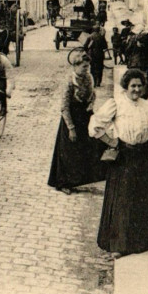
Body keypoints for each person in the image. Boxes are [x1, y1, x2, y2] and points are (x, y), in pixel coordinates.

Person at [89, 68, 148, 258]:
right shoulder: (116, 104)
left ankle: (142, 239)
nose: (137, 90)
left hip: (143, 157)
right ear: (126, 87)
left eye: (140, 86)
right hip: (124, 157)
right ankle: (119, 244)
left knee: (142, 197)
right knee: (122, 199)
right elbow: (95, 125)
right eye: (133, 86)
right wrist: (112, 141)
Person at [48, 50, 106, 195]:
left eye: (88, 67)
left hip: (84, 117)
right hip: (72, 118)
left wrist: (91, 104)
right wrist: (71, 128)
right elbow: (64, 107)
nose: (86, 70)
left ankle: (80, 180)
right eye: (84, 67)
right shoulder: (69, 82)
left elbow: (93, 94)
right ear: (75, 66)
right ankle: (63, 183)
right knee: (69, 153)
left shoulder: (89, 78)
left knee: (86, 148)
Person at [125, 25, 148, 99]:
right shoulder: (147, 38)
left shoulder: (132, 39)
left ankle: (134, 96)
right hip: (146, 64)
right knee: (145, 81)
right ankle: (143, 97)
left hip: (133, 64)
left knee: (133, 80)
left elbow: (127, 51)